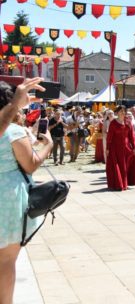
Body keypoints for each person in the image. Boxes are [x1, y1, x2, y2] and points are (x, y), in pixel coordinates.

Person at [0, 82, 54, 304]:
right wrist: (48, 145)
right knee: (6, 260)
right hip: (7, 198)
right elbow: (30, 164)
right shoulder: (13, 131)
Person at [105, 106, 135, 191]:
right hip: (115, 148)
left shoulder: (128, 122)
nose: (123, 112)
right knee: (119, 167)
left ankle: (125, 183)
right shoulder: (113, 123)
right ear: (117, 112)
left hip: (126, 148)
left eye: (124, 111)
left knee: (125, 166)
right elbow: (109, 137)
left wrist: (134, 147)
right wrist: (107, 148)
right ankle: (119, 184)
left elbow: (132, 136)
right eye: (121, 111)